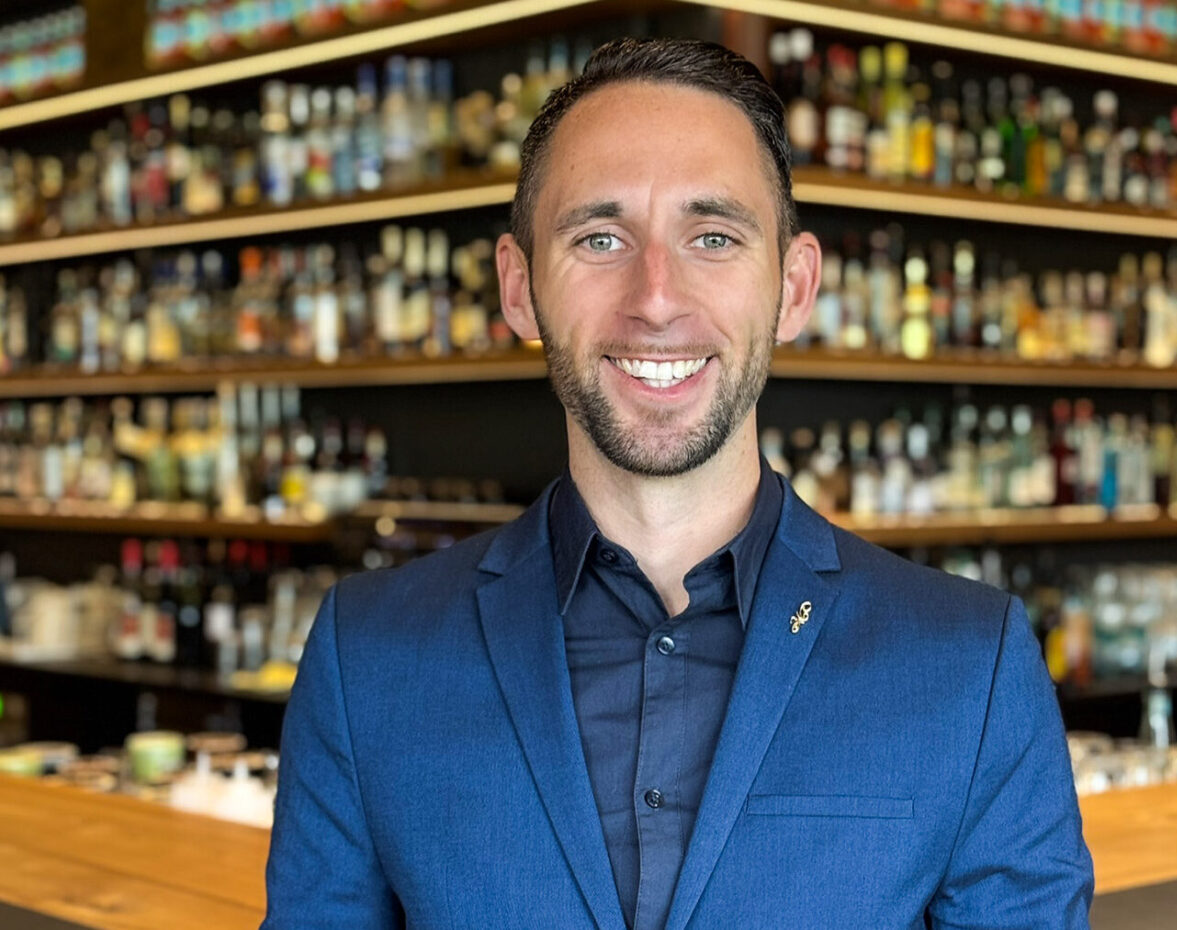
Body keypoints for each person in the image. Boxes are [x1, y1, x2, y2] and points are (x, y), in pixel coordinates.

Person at [262, 37, 1093, 929]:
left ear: (794, 285)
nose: (655, 297)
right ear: (518, 286)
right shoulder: (367, 656)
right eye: (601, 237)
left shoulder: (973, 664)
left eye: (713, 236)